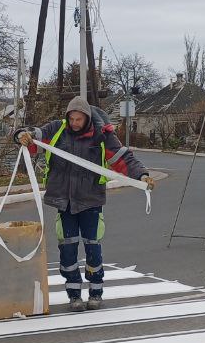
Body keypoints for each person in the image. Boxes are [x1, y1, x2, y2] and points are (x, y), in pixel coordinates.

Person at [16, 96, 155, 312]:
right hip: (65, 203)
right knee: (68, 251)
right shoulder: (57, 130)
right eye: (71, 118)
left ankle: (96, 292)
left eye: (78, 119)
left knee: (93, 249)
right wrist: (22, 136)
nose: (74, 123)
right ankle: (74, 295)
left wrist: (142, 176)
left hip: (91, 201)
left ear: (87, 118)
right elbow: (35, 137)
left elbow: (122, 159)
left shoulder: (102, 136)